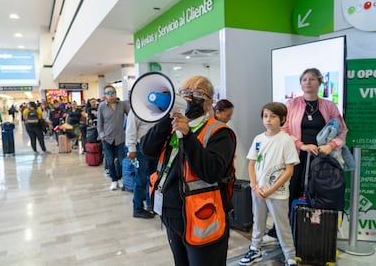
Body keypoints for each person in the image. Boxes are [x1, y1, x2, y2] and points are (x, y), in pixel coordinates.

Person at [141, 75, 236, 266]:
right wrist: (167, 120)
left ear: (209, 103)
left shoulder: (220, 133)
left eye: (198, 92)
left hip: (202, 215)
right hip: (172, 213)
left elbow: (211, 172)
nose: (190, 96)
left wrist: (188, 136)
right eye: (184, 92)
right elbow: (147, 149)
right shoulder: (170, 126)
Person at [264, 68, 348, 244]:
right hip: (294, 156)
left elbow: (342, 131)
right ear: (300, 83)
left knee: (317, 192)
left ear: (319, 82)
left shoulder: (329, 106)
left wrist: (329, 145)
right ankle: (278, 230)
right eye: (304, 79)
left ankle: (313, 230)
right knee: (289, 191)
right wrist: (301, 144)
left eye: (312, 79)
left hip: (321, 157)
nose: (308, 82)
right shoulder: (291, 104)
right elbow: (283, 129)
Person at [239, 102, 299, 266]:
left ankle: (290, 257)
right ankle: (255, 250)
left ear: (282, 119)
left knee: (282, 226)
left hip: (278, 193)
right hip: (258, 191)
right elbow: (251, 164)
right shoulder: (258, 139)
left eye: (273, 116)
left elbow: (289, 171)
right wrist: (255, 186)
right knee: (257, 222)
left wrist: (270, 189)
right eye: (265, 116)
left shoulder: (286, 140)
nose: (268, 120)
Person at [125, 109, 158, 219]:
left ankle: (151, 205)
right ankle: (138, 209)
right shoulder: (136, 109)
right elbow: (130, 130)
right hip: (140, 150)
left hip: (155, 148)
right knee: (140, 180)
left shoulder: (159, 108)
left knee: (153, 179)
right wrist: (131, 149)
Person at [97, 85, 130, 190]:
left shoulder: (122, 104)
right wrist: (102, 135)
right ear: (105, 95)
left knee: (121, 161)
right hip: (107, 138)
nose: (110, 95)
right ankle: (113, 180)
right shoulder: (102, 106)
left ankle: (119, 178)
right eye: (108, 93)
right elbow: (99, 123)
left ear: (115, 93)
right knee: (110, 161)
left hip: (120, 137)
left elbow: (131, 115)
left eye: (112, 92)